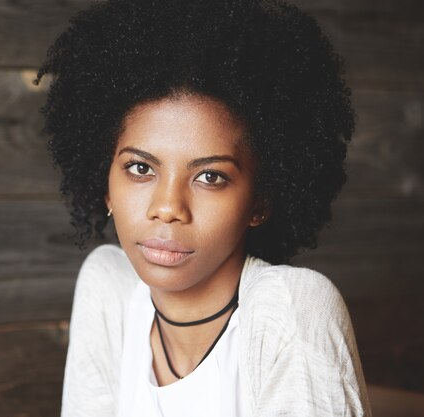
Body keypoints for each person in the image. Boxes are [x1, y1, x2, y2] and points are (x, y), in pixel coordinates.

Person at [36, 0, 371, 415]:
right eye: (140, 168)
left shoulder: (290, 309)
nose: (167, 207)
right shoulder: (111, 290)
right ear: (104, 183)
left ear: (259, 201)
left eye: (210, 176)